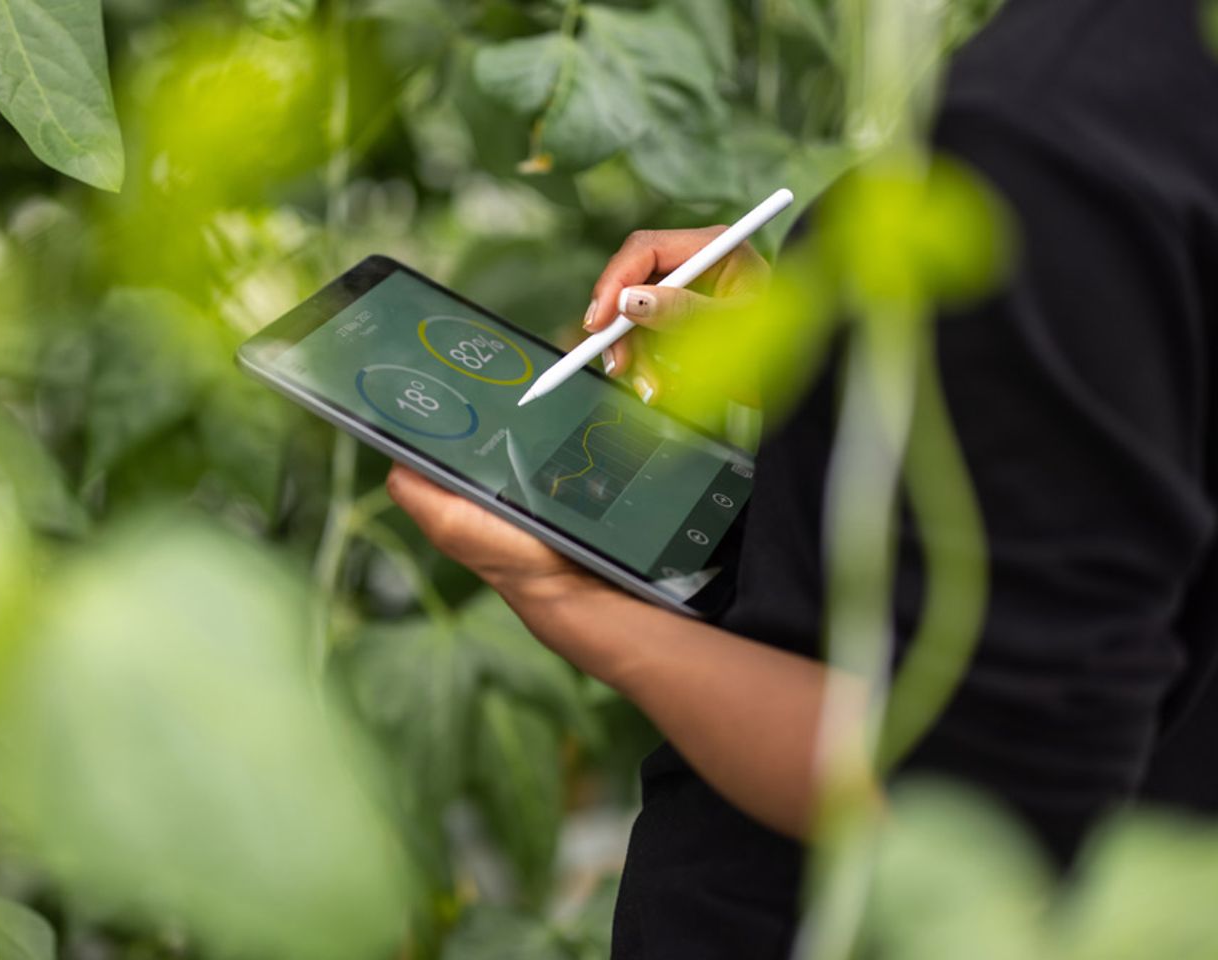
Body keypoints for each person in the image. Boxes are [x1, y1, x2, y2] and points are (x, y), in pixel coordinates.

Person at [388, 0, 1218, 955]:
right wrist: (838, 354)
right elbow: (1128, 413)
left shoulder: (1046, 126)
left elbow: (980, 800)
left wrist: (569, 596)